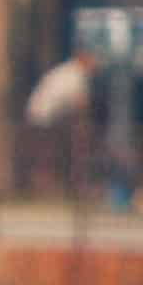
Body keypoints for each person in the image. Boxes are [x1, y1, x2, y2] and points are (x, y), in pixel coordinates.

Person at [24, 44, 97, 204]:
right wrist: (85, 126)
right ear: (84, 59)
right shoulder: (75, 74)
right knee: (49, 154)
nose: (95, 66)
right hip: (44, 118)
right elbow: (81, 104)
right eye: (92, 61)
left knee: (50, 153)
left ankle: (50, 187)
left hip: (44, 117)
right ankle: (48, 188)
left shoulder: (67, 71)